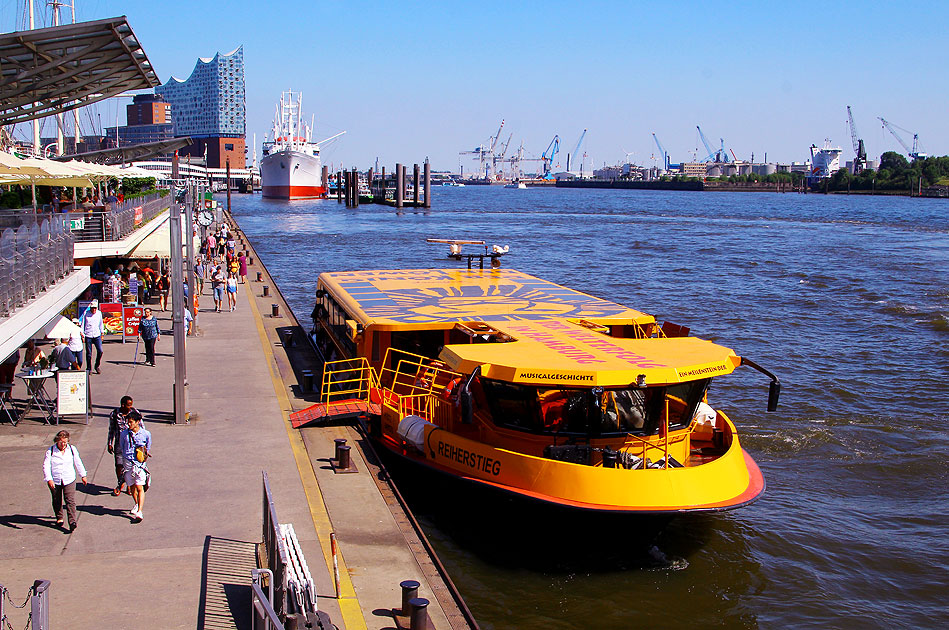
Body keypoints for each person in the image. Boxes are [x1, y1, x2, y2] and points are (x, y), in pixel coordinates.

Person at [43, 430, 87, 532]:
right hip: (56, 479)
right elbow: (46, 465)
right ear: (57, 441)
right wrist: (49, 479)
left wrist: (83, 475)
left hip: (69, 478)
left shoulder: (72, 449)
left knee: (70, 500)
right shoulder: (51, 451)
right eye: (61, 442)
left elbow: (78, 461)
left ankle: (72, 521)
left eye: (65, 442)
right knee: (57, 499)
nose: (63, 445)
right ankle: (59, 517)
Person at [108, 396, 143, 495]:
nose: (130, 407)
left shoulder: (135, 413)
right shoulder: (114, 414)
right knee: (119, 465)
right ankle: (120, 483)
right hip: (119, 444)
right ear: (122, 405)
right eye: (128, 405)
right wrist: (110, 443)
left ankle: (130, 485)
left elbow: (142, 428)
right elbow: (111, 430)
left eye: (131, 404)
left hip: (132, 445)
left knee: (131, 465)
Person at [119, 414, 151, 522]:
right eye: (128, 422)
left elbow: (148, 447)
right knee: (132, 486)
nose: (129, 424)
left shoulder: (145, 434)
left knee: (139, 487)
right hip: (128, 464)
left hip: (139, 464)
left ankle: (140, 511)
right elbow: (122, 447)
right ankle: (136, 503)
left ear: (138, 422)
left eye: (131, 422)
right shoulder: (124, 434)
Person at [79, 300, 104, 374]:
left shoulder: (99, 313)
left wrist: (102, 333)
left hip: (97, 334)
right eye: (92, 308)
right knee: (89, 353)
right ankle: (89, 368)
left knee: (100, 351)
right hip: (88, 334)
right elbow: (83, 324)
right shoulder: (86, 314)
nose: (94, 310)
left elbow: (101, 323)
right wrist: (82, 335)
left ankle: (97, 366)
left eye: (95, 308)